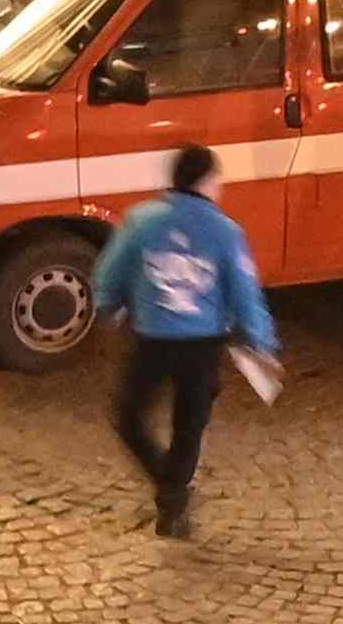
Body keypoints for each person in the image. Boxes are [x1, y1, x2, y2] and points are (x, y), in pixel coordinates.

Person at [96, 144, 284, 537]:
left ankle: (169, 490)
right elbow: (245, 293)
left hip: (152, 340)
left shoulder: (141, 221)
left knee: (130, 416)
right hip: (202, 347)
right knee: (188, 428)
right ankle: (173, 496)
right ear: (207, 182)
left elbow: (111, 271)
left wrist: (107, 305)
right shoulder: (225, 232)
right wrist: (261, 344)